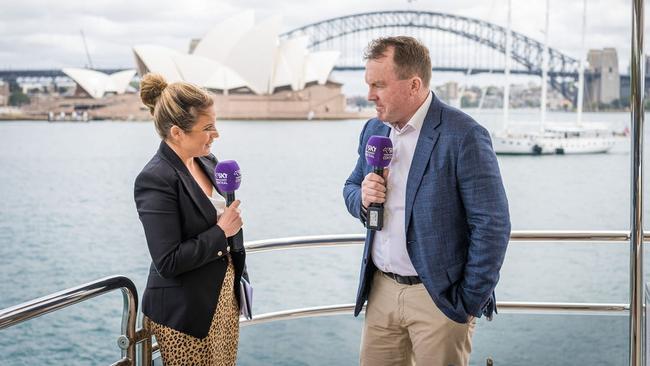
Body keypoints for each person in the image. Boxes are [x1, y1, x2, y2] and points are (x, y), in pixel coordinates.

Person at [343, 36, 510, 366]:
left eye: (379, 85)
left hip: (438, 300)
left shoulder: (463, 134)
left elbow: (492, 224)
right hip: (381, 293)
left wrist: (465, 303)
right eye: (368, 84)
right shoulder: (373, 130)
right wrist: (362, 197)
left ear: (413, 85)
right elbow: (349, 187)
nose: (369, 95)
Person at [134, 73, 246, 366]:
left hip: (222, 301)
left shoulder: (208, 161)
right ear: (177, 132)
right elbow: (168, 261)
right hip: (186, 315)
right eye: (207, 127)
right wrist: (221, 232)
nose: (216, 134)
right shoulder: (155, 179)